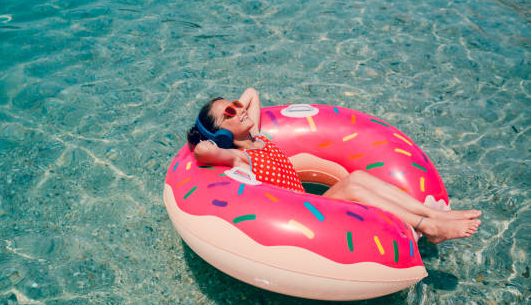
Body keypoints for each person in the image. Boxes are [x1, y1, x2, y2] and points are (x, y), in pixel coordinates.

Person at [187, 88, 481, 244]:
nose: (239, 109)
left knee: (359, 176)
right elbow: (202, 153)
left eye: (237, 105)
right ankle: (428, 227)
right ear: (222, 132)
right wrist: (215, 140)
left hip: (310, 203)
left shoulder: (259, 138)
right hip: (298, 215)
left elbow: (252, 92)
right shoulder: (240, 157)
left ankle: (434, 214)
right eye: (229, 112)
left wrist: (233, 110)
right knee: (353, 185)